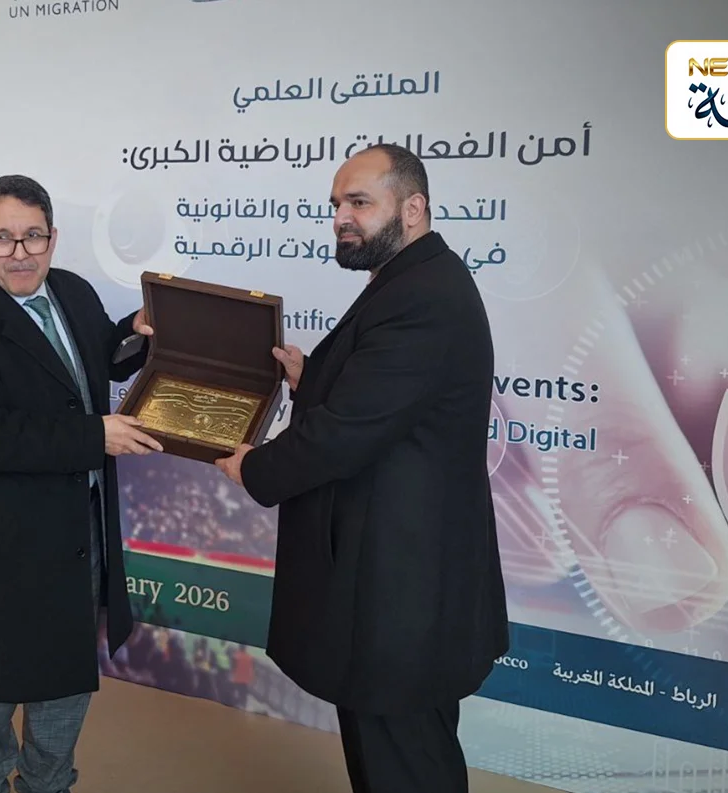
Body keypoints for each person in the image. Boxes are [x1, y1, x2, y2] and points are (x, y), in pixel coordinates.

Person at [215, 144, 510, 793]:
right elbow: (383, 395)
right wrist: (311, 377)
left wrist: (256, 468)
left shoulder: (424, 296)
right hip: (397, 587)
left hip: (401, 595)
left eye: (359, 203)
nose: (341, 218)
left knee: (404, 764)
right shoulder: (413, 279)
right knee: (397, 757)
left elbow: (347, 433)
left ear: (413, 207)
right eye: (336, 205)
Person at [0, 174, 162, 793]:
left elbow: (97, 357)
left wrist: (137, 331)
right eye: (3, 239)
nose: (20, 253)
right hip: (5, 544)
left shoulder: (72, 290)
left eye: (33, 237)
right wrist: (92, 437)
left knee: (66, 674)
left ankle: (49, 783)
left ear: (53, 238)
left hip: (78, 529)